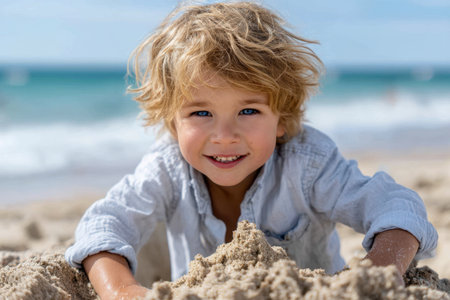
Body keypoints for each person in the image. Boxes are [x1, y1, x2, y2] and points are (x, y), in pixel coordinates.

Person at [65, 2, 438, 299]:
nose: (224, 135)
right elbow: (103, 224)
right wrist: (122, 291)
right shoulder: (166, 169)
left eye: (248, 111)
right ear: (172, 122)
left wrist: (374, 274)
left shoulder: (308, 163)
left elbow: (397, 206)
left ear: (281, 120)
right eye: (201, 112)